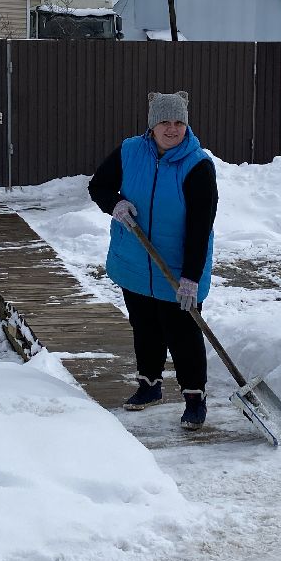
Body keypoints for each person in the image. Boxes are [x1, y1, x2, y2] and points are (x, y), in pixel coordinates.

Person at [88, 90, 218, 430]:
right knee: (144, 326)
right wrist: (114, 204)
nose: (172, 129)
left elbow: (200, 227)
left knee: (184, 334)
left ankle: (194, 397)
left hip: (176, 269)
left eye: (178, 122)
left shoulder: (197, 166)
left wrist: (190, 276)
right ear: (152, 125)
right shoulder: (131, 151)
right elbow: (98, 186)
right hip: (135, 261)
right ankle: (149, 385)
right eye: (165, 121)